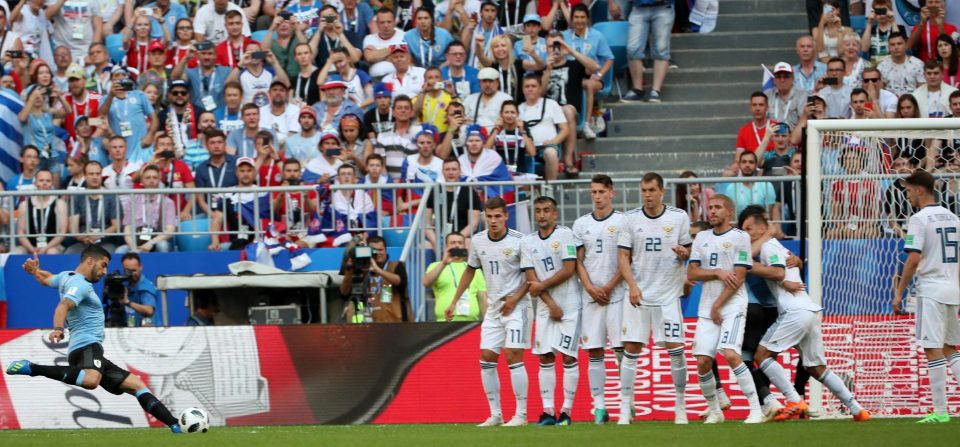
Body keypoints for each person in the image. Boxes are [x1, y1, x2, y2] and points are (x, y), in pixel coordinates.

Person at [6, 245, 184, 433]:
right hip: (87, 345)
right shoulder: (80, 285)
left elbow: (47, 278)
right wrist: (58, 328)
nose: (105, 271)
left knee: (137, 385)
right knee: (91, 380)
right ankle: (32, 368)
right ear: (90, 261)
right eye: (103, 265)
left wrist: (35, 271)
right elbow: (63, 306)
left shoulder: (66, 276)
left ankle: (175, 424)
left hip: (87, 348)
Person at [742, 211, 871, 422]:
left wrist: (752, 267)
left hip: (795, 311)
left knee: (761, 355)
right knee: (816, 368)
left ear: (762, 229)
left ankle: (794, 400)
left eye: (749, 229)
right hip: (810, 310)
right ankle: (857, 409)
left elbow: (777, 272)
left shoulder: (768, 246)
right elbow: (784, 272)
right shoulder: (775, 248)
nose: (746, 234)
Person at [616, 172, 691, 425]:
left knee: (676, 351)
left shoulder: (679, 217)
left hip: (668, 295)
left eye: (651, 190)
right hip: (639, 294)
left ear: (662, 191)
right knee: (631, 349)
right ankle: (625, 408)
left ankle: (680, 407)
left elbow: (687, 250)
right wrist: (633, 286)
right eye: (644, 190)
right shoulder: (630, 219)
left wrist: (684, 252)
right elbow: (623, 257)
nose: (647, 195)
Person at [449, 196, 530, 427]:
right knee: (486, 358)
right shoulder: (478, 241)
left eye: (498, 216)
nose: (493, 221)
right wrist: (454, 301)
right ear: (485, 217)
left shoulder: (520, 241)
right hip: (494, 308)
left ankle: (521, 415)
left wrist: (515, 299)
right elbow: (470, 271)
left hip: (517, 307)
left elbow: (531, 279)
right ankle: (496, 414)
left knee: (513, 356)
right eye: (489, 216)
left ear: (506, 216)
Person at [687, 194, 764, 424]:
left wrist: (718, 305)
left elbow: (739, 277)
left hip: (731, 305)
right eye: (710, 207)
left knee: (730, 354)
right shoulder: (701, 237)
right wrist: (718, 272)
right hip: (708, 308)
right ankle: (715, 411)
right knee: (702, 361)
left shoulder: (740, 238)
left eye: (718, 207)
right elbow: (691, 273)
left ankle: (755, 410)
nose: (712, 211)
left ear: (729, 212)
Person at [893, 170, 960, 423]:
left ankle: (941, 412)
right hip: (952, 289)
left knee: (933, 350)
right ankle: (941, 412)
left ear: (920, 190)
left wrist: (899, 292)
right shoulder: (953, 217)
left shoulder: (919, 219)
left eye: (909, 190)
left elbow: (913, 258)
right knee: (950, 349)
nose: (908, 194)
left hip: (931, 290)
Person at [519, 196, 580, 427]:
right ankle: (547, 411)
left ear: (555, 214)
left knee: (568, 356)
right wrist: (549, 302)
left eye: (546, 210)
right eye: (538, 211)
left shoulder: (565, 235)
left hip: (570, 304)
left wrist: (543, 290)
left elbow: (569, 269)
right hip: (546, 306)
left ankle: (566, 411)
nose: (542, 215)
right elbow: (530, 277)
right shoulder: (528, 242)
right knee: (545, 356)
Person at [571, 174, 625, 424]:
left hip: (617, 294)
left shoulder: (623, 222)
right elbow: (578, 261)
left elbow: (627, 258)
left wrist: (610, 286)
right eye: (593, 192)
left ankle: (627, 402)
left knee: (621, 350)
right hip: (591, 295)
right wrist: (590, 287)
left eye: (601, 192)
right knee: (594, 350)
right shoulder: (581, 224)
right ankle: (600, 407)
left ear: (611, 193)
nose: (597, 196)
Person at [542, 31, 597, 160]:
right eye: (551, 46)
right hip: (547, 114)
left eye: (558, 45)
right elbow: (539, 93)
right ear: (546, 48)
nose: (555, 49)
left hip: (570, 112)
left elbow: (594, 68)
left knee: (567, 110)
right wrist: (547, 69)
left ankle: (568, 159)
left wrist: (571, 51)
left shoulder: (575, 65)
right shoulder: (542, 67)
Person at [339, 234, 412, 321]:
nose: (378, 253)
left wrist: (378, 270)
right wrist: (348, 272)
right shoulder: (362, 269)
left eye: (381, 250)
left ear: (386, 250)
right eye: (374, 250)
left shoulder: (396, 266)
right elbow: (344, 294)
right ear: (368, 251)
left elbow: (401, 282)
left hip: (394, 323)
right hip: (368, 324)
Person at [425, 232, 487, 321]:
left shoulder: (474, 269)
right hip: (444, 323)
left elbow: (483, 297)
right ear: (446, 246)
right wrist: (444, 263)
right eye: (453, 243)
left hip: (471, 324)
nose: (457, 245)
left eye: (460, 243)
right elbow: (426, 283)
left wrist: (487, 324)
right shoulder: (436, 265)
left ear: (464, 246)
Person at [99, 68, 158, 160]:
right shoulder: (105, 98)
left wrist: (151, 134)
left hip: (141, 148)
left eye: (123, 75)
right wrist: (111, 95)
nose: (120, 78)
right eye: (117, 76)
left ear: (128, 78)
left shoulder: (139, 95)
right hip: (120, 152)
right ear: (112, 80)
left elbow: (154, 118)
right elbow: (102, 115)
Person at [207, 157, 265, 250]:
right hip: (235, 243)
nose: (245, 174)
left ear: (254, 172)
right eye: (242, 171)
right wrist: (215, 242)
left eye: (249, 170)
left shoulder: (263, 193)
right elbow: (217, 220)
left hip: (259, 241)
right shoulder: (228, 193)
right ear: (236, 172)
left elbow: (268, 221)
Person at [117, 164, 177, 254]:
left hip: (157, 240)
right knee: (120, 251)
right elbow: (127, 229)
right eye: (148, 178)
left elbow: (170, 230)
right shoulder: (132, 200)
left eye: (155, 178)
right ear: (142, 181)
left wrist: (151, 243)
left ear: (159, 180)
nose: (151, 180)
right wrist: (133, 247)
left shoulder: (168, 202)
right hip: (137, 240)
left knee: (163, 246)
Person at [424, 157, 482, 248]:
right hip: (440, 239)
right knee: (423, 247)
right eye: (447, 169)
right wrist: (435, 241)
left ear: (460, 172)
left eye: (454, 169)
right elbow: (426, 223)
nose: (451, 172)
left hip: (462, 238)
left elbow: (473, 225)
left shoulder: (470, 192)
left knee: (469, 244)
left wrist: (455, 240)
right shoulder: (434, 191)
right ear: (442, 172)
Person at [623, 0, 674, 102]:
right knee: (632, 49)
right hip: (638, 7)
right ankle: (637, 89)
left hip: (663, 6)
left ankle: (656, 90)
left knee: (661, 49)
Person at [517, 74, 566, 181]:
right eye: (527, 86)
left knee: (551, 153)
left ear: (539, 88)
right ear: (522, 89)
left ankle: (550, 189)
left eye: (533, 86)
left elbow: (565, 129)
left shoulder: (551, 104)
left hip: (547, 146)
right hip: (525, 147)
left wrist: (553, 141)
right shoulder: (518, 108)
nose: (530, 89)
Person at [67, 161, 119, 254]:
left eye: (98, 174)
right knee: (70, 253)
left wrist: (99, 235)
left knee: (110, 255)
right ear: (85, 176)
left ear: (101, 175)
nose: (95, 177)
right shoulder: (77, 197)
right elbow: (74, 228)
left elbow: (116, 225)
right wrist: (84, 237)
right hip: (83, 242)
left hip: (105, 242)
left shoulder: (111, 196)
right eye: (91, 174)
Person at [15, 170, 68, 255]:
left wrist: (45, 248)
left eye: (48, 181)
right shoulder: (24, 205)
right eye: (41, 180)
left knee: (52, 252)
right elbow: (21, 232)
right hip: (29, 245)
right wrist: (31, 249)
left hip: (53, 245)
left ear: (52, 183)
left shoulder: (60, 204)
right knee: (17, 252)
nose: (44, 183)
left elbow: (62, 232)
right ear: (35, 183)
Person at [174, 41, 234, 115]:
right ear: (198, 55)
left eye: (210, 54)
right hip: (196, 116)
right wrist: (186, 58)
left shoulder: (226, 71)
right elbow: (175, 77)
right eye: (203, 53)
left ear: (215, 55)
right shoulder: (191, 72)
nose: (206, 57)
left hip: (219, 116)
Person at [375, 94, 422, 179]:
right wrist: (391, 184)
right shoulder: (382, 135)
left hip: (414, 185)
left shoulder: (419, 132)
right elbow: (380, 164)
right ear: (393, 112)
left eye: (406, 108)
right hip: (391, 186)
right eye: (399, 108)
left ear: (411, 112)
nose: (403, 111)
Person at [486, 100, 535, 175]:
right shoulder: (498, 129)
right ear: (501, 114)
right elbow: (486, 149)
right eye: (506, 112)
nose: (509, 115)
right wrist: (496, 129)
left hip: (520, 172)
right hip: (500, 173)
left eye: (512, 112)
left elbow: (532, 152)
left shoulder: (523, 127)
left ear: (517, 114)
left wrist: (522, 131)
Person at [877, 32, 925, 97]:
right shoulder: (882, 66)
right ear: (888, 47)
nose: (896, 47)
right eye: (892, 44)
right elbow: (880, 92)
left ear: (906, 45)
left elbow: (922, 90)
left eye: (899, 44)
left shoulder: (918, 64)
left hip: (913, 103)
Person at [465, 67, 512, 133]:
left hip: (497, 138)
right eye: (484, 81)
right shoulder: (470, 99)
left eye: (491, 81)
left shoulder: (506, 99)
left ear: (497, 82)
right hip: (474, 139)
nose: (487, 84)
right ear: (479, 83)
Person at [363, 8, 407, 78]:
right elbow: (369, 57)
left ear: (394, 22)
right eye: (382, 22)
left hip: (398, 76)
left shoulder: (404, 36)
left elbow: (406, 59)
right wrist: (394, 50)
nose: (386, 25)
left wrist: (377, 54)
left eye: (389, 22)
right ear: (377, 24)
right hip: (375, 79)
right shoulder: (369, 38)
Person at [117, 253, 158, 327]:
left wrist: (128, 302)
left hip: (147, 330)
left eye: (134, 270)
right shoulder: (123, 285)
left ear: (141, 267)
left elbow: (149, 311)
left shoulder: (146, 287)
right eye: (127, 271)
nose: (131, 274)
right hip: (128, 327)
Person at [859, 0, 904, 65]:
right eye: (878, 12)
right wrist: (869, 23)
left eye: (883, 11)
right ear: (874, 12)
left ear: (890, 11)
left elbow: (899, 45)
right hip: (874, 68)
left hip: (894, 65)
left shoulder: (899, 28)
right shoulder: (870, 29)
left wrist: (893, 21)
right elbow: (864, 49)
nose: (881, 15)